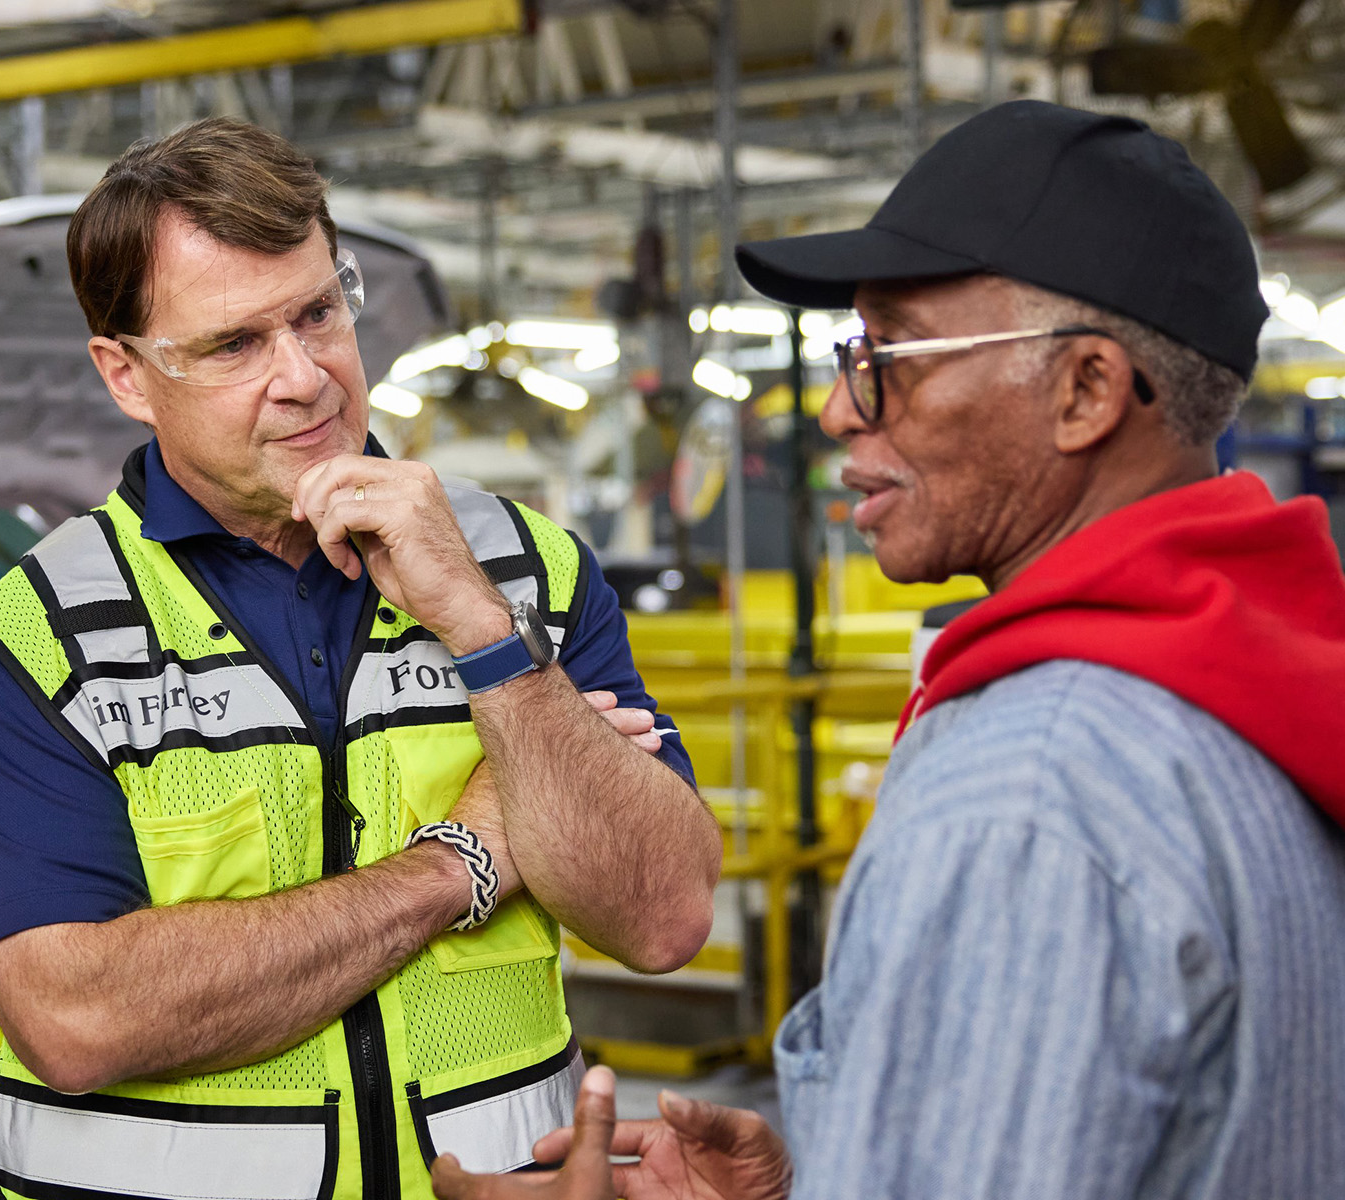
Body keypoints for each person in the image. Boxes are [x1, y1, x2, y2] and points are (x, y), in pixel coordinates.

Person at [431, 100, 1345, 1200]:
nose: (834, 409)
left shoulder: (1029, 795)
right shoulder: (1253, 694)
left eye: (888, 356)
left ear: (1085, 392)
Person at [0, 116, 724, 1200]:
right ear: (126, 376)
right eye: (234, 345)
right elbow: (77, 1017)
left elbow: (664, 917)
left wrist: (486, 632)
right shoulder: (44, 635)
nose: (305, 377)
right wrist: (457, 863)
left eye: (317, 314)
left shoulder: (530, 572)